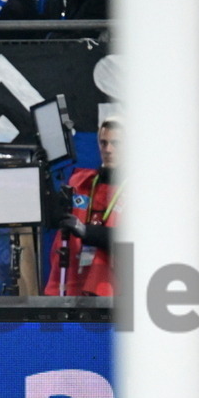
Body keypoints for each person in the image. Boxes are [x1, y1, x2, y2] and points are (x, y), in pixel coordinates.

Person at [44, 117, 120, 297]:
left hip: (114, 291)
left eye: (116, 143)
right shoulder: (81, 181)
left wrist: (84, 230)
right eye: (103, 142)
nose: (108, 149)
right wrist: (44, 174)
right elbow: (54, 218)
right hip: (72, 285)